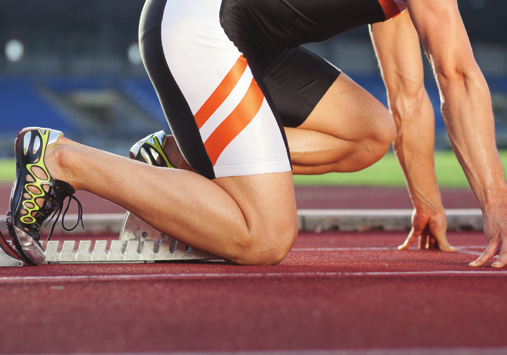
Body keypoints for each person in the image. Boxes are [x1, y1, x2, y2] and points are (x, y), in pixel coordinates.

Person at [5, 0, 506, 268]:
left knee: (370, 132)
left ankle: (177, 157)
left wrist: (429, 207)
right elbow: (456, 76)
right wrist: (497, 202)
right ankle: (63, 159)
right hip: (203, 25)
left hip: (242, 38)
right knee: (264, 236)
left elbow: (408, 97)